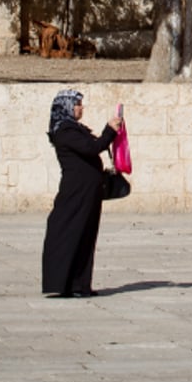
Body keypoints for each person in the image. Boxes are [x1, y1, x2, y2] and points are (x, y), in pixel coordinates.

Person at [41, 89, 122, 297]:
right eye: (77, 104)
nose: (81, 107)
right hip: (76, 191)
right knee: (71, 232)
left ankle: (80, 284)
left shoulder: (74, 128)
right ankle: (63, 283)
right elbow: (92, 148)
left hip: (88, 190)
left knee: (85, 234)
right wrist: (109, 130)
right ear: (66, 107)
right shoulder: (65, 131)